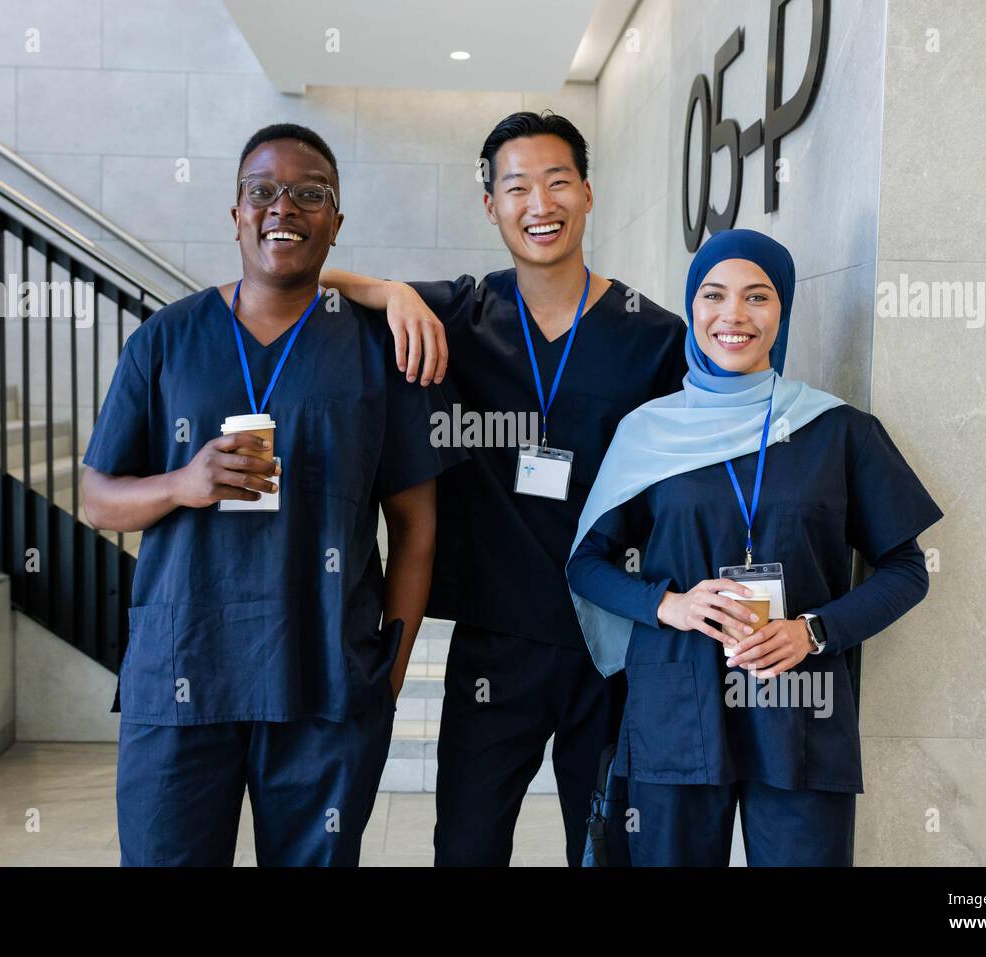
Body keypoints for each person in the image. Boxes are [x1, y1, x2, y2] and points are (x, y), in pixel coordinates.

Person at [80, 123, 464, 866]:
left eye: (309, 192)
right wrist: (185, 483)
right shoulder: (165, 340)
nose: (283, 206)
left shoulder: (377, 347)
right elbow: (98, 497)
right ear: (236, 213)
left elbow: (415, 523)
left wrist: (389, 668)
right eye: (262, 190)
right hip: (183, 671)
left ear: (336, 221)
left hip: (325, 679)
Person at [321, 111, 688, 866]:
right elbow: (309, 278)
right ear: (490, 205)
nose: (538, 204)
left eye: (557, 182)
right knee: (465, 846)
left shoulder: (653, 335)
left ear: (587, 193)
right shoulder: (463, 312)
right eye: (515, 186)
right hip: (497, 644)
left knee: (610, 848)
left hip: (612, 643)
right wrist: (392, 292)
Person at [566, 228, 943, 866]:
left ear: (783, 311)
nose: (733, 316)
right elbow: (586, 565)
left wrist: (815, 631)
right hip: (676, 704)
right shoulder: (647, 431)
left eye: (758, 297)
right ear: (693, 309)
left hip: (798, 705)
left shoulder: (836, 429)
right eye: (713, 295)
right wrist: (671, 606)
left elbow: (907, 569)